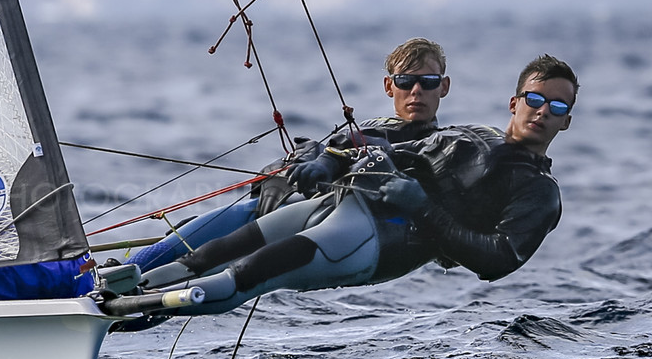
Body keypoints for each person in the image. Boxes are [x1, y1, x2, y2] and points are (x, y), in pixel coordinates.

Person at [137, 55, 576, 316]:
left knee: (252, 272)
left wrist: (424, 208)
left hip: (377, 243)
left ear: (566, 121)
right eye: (535, 100)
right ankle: (120, 293)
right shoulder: (470, 135)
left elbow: (498, 261)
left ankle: (122, 313)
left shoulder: (539, 192)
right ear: (515, 102)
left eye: (556, 107)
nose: (542, 112)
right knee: (209, 254)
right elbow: (389, 147)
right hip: (345, 203)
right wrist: (328, 158)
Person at [127, 37, 454, 275]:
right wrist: (316, 163)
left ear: (444, 86)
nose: (416, 91)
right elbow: (335, 145)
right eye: (405, 81)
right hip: (264, 209)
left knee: (198, 270)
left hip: (311, 233)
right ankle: (103, 282)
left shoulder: (449, 146)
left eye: (427, 81)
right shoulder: (363, 128)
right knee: (179, 242)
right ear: (388, 86)